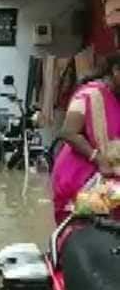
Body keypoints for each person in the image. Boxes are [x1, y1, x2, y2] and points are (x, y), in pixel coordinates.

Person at [52, 52, 120, 224]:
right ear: (116, 71)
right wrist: (99, 159)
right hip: (81, 176)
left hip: (110, 180)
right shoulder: (89, 94)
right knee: (84, 231)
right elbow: (68, 132)